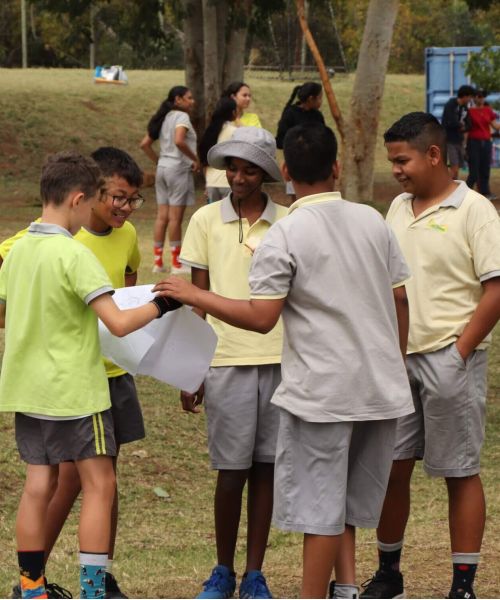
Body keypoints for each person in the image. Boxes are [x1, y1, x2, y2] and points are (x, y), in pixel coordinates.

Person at [155, 123, 414, 599]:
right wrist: (393, 365)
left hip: (322, 395)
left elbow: (261, 318)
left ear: (286, 172)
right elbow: (400, 301)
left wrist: (196, 294)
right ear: (337, 167)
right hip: (381, 391)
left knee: (321, 511)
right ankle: (348, 588)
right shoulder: (374, 221)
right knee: (352, 505)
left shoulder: (286, 231)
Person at [0, 151, 181, 600]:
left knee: (38, 484)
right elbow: (118, 323)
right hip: (78, 393)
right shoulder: (73, 253)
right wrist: (162, 305)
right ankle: (93, 590)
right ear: (79, 200)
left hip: (27, 390)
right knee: (101, 484)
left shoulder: (17, 250)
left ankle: (31, 589)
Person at [359, 112, 500, 600]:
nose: (396, 170)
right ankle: (388, 574)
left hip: (449, 360)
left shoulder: (475, 210)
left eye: (403, 160)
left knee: (458, 471)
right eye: (392, 160)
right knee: (391, 468)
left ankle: (463, 585)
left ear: (434, 155)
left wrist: (460, 353)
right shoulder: (397, 208)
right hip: (396, 363)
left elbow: (496, 288)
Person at [176, 127, 287, 599]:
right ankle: (222, 570)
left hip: (282, 359)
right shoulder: (204, 220)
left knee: (266, 471)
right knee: (231, 472)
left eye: (249, 170)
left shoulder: (288, 221)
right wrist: (191, 366)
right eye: (232, 168)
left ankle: (255, 573)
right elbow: (196, 298)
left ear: (265, 174)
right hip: (225, 362)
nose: (239, 178)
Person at [139, 85, 200, 273]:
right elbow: (179, 140)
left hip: (163, 169)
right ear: (178, 100)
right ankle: (176, 263)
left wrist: (160, 161)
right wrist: (194, 159)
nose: (192, 101)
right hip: (178, 170)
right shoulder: (182, 117)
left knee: (161, 217)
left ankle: (158, 262)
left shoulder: (163, 117)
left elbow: (145, 144)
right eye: (188, 98)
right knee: (175, 219)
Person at [276, 82, 325, 201]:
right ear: (311, 99)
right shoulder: (290, 114)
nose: (321, 101)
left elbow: (323, 138)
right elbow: (281, 140)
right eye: (319, 98)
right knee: (296, 198)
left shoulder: (317, 116)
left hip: (314, 163)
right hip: (294, 163)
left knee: (314, 197)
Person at [198, 97, 238, 203]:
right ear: (233, 112)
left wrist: (207, 183)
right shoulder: (235, 132)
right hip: (228, 183)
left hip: (211, 183)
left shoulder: (210, 133)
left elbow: (205, 161)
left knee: (214, 217)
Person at [466, 89, 500, 200]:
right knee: (474, 171)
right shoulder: (469, 111)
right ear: (474, 98)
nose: (481, 98)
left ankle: (485, 192)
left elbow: (496, 126)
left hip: (486, 142)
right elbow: (466, 129)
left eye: (482, 96)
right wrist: (464, 145)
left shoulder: (488, 110)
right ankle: (465, 193)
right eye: (479, 96)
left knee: (485, 169)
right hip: (474, 142)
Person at [441, 85, 475, 180]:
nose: (470, 99)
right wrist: (461, 125)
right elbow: (450, 122)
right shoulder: (451, 105)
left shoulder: (464, 107)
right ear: (464, 96)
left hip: (459, 140)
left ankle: (451, 187)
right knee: (454, 168)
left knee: (457, 168)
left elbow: (469, 124)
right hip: (450, 140)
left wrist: (462, 126)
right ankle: (448, 188)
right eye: (470, 97)